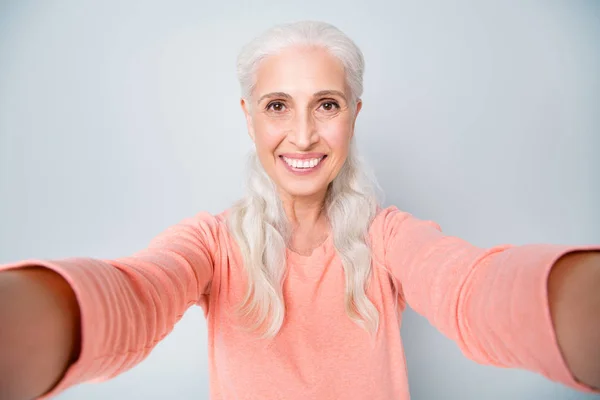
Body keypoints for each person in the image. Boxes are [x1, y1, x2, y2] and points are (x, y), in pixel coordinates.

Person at [0, 20, 599, 400]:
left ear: (355, 115)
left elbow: (473, 290)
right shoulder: (211, 245)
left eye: (327, 104)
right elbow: (134, 295)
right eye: (279, 105)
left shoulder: (387, 237)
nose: (304, 135)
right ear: (249, 115)